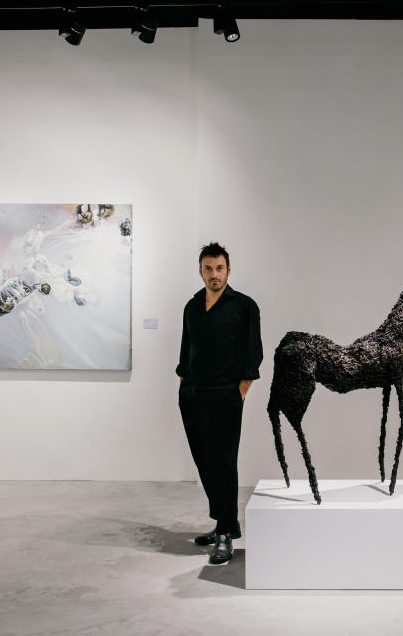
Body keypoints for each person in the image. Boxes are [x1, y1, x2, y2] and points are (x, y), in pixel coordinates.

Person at [176, 242, 263, 565]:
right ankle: (223, 523)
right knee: (205, 461)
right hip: (193, 395)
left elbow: (254, 351)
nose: (214, 274)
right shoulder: (192, 306)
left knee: (224, 462)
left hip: (226, 394)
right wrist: (183, 383)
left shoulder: (244, 306)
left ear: (228, 270)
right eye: (208, 268)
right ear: (200, 271)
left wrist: (241, 389)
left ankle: (226, 533)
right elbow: (186, 349)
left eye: (219, 268)